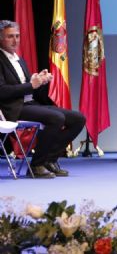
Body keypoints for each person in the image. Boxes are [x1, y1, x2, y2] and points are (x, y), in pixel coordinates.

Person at [0, 20, 86, 178]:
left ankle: (49, 160)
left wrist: (40, 80)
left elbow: (27, 86)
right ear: (1, 38)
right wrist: (31, 85)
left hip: (29, 104)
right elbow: (2, 91)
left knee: (78, 119)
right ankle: (36, 165)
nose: (15, 40)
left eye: (17, 36)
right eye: (10, 36)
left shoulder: (19, 59)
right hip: (12, 109)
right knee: (56, 118)